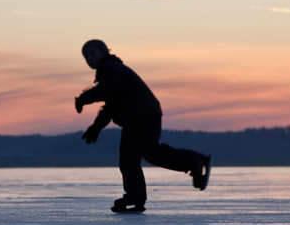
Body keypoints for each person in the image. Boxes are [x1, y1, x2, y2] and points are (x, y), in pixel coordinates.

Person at [75, 39, 210, 213]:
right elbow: (111, 105)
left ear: (103, 52)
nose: (89, 59)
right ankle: (135, 197)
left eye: (92, 54)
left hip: (144, 116)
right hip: (134, 120)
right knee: (128, 159)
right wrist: (96, 126)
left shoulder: (112, 69)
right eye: (86, 57)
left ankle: (196, 161)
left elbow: (104, 92)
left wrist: (82, 99)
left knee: (151, 153)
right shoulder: (109, 72)